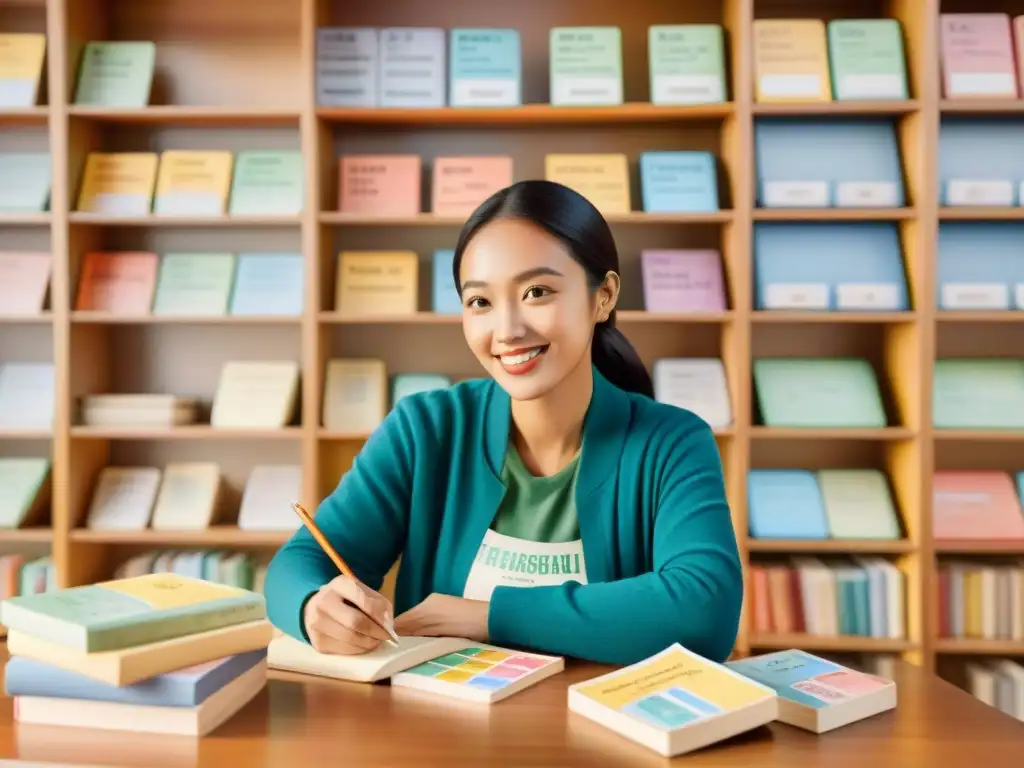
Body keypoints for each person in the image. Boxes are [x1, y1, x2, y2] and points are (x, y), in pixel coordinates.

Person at [263, 179, 743, 666]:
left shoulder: (674, 443)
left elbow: (705, 613)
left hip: (607, 731)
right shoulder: (425, 429)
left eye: (537, 292)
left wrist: (485, 616)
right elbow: (299, 565)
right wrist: (312, 608)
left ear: (604, 296)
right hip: (439, 730)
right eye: (480, 302)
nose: (508, 330)